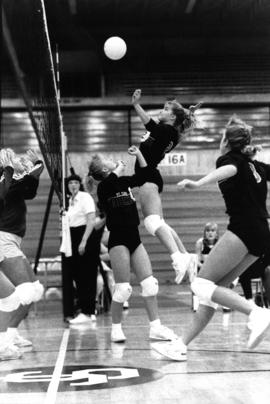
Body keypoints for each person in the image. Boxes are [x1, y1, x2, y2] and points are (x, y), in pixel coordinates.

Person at [152, 115, 270, 361]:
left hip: (244, 228)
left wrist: (198, 183)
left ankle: (257, 313)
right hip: (261, 232)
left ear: (227, 141)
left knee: (200, 285)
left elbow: (229, 169)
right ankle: (180, 345)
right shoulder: (257, 165)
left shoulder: (231, 160)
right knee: (211, 292)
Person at [88, 145, 178, 343]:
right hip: (118, 240)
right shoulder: (104, 188)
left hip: (134, 237)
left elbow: (146, 175)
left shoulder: (123, 182)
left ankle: (155, 327)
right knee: (123, 289)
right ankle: (116, 328)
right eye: (107, 159)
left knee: (150, 284)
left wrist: (139, 155)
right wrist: (118, 170)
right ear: (104, 170)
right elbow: (110, 185)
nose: (112, 158)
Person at [131, 89, 201, 283]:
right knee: (159, 223)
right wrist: (187, 112)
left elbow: (149, 123)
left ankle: (177, 258)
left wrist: (136, 104)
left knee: (152, 222)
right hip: (151, 175)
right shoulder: (170, 132)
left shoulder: (166, 130)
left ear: (171, 116)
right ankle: (186, 255)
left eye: (165, 108)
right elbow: (157, 126)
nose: (161, 111)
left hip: (148, 175)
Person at [0, 148, 45, 361]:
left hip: (13, 241)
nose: (18, 159)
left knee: (35, 290)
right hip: (3, 239)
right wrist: (35, 161)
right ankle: (3, 343)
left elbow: (30, 191)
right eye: (12, 156)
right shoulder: (5, 180)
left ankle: (11, 333)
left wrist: (27, 169)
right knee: (21, 292)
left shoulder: (14, 182)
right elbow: (35, 173)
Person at [61, 173, 99, 324]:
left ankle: (88, 312)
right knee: (77, 276)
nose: (73, 185)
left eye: (76, 182)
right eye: (71, 183)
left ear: (80, 184)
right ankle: (83, 311)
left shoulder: (85, 197)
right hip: (72, 237)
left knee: (87, 276)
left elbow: (91, 220)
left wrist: (83, 241)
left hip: (85, 236)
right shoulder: (69, 201)